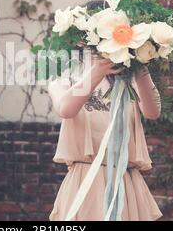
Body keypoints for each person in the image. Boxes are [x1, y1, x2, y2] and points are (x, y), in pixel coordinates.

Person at [47, 54, 163, 221]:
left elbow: (153, 112)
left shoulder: (129, 80)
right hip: (85, 182)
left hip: (125, 182)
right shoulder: (65, 78)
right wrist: (98, 71)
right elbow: (66, 109)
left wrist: (140, 64)